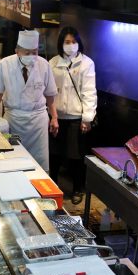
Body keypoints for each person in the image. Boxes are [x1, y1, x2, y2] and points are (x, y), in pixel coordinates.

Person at [0, 30, 58, 171]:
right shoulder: (5, 64)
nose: (31, 56)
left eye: (34, 52)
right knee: (13, 161)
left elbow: (50, 95)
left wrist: (54, 117)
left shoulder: (44, 65)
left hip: (38, 122)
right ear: (17, 51)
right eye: (27, 53)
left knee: (39, 165)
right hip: (14, 119)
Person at [48, 27, 96, 203]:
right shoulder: (52, 63)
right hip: (56, 116)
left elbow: (89, 92)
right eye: (67, 42)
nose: (71, 45)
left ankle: (77, 189)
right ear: (61, 43)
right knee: (54, 155)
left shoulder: (86, 63)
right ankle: (52, 187)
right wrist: (51, 114)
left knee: (76, 156)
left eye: (74, 42)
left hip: (76, 118)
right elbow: (49, 92)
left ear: (79, 43)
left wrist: (87, 118)